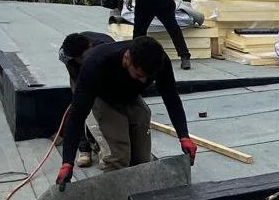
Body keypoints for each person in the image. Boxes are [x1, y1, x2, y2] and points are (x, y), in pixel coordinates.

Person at [56, 34, 197, 189]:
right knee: (120, 155)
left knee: (142, 158)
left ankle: (138, 192)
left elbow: (171, 98)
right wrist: (67, 162)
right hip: (103, 97)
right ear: (127, 58)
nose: (143, 81)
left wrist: (184, 136)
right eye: (139, 75)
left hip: (129, 95)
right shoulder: (96, 64)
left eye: (147, 77)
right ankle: (113, 194)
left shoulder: (160, 61)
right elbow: (77, 116)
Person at [57, 29, 109, 168]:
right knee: (80, 108)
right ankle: (84, 148)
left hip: (103, 71)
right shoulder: (66, 55)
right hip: (79, 72)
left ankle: (103, 147)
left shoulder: (106, 47)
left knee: (103, 107)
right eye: (80, 58)